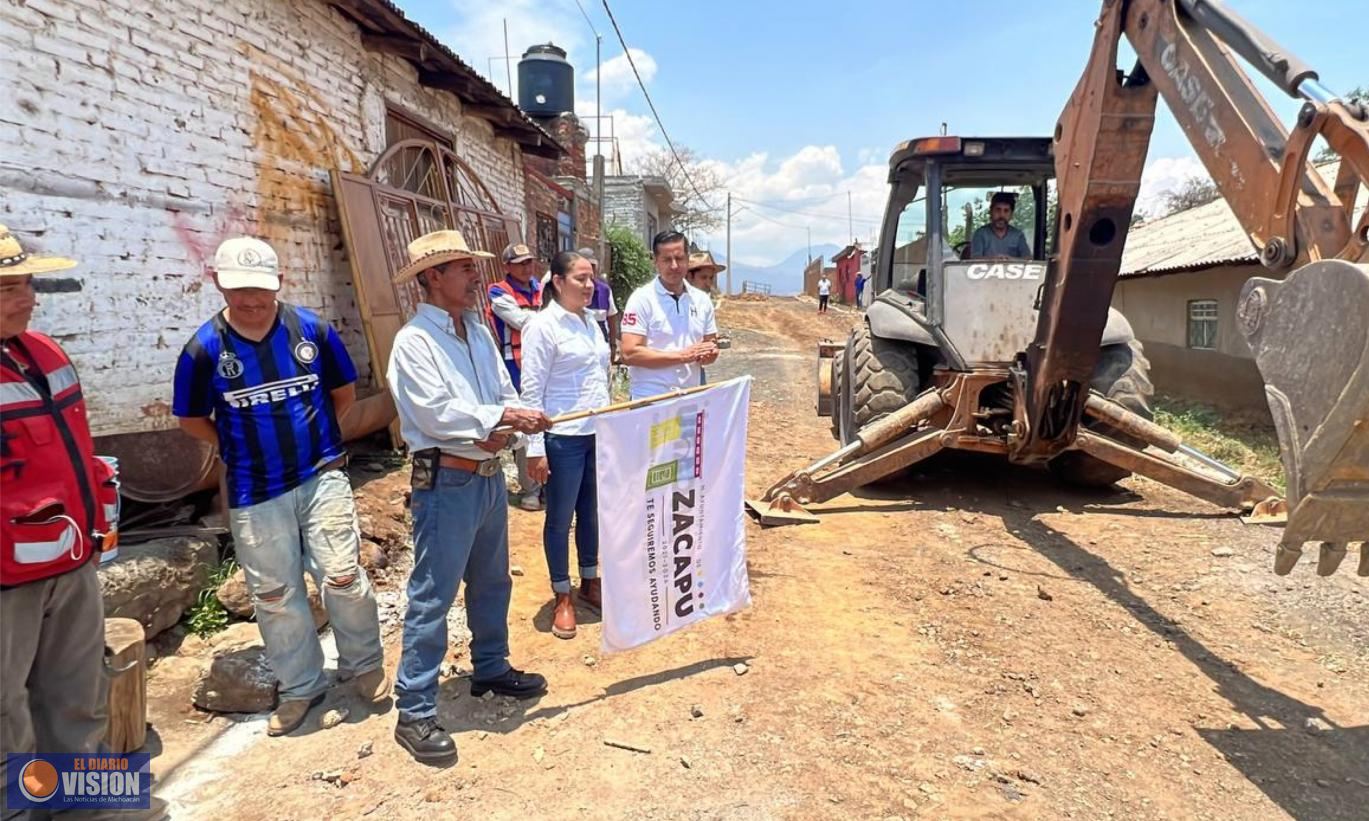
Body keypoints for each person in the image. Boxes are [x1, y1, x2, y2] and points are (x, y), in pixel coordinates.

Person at [173, 237, 387, 737]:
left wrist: (315, 441)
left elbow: (343, 394)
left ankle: (364, 664)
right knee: (273, 595)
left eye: (261, 292)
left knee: (341, 576)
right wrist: (232, 446)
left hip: (321, 475)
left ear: (280, 285)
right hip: (252, 491)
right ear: (218, 283)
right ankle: (301, 687)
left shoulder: (310, 330)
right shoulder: (203, 350)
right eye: (239, 290)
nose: (251, 301)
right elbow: (189, 419)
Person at [386, 229, 552, 764]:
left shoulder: (477, 331)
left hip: (484, 476)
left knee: (491, 580)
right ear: (432, 277)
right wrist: (501, 418)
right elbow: (435, 413)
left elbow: (503, 393)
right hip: (447, 482)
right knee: (433, 594)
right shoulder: (414, 342)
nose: (473, 274)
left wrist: (513, 424)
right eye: (461, 266)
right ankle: (413, 708)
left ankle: (491, 667)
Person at [1, 226, 118, 809]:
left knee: (79, 690)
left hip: (71, 558)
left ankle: (90, 800)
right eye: (8, 289)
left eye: (26, 284)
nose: (27, 298)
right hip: (5, 579)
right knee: (3, 712)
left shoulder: (44, 352)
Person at [519, 251, 610, 640]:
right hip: (562, 439)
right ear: (557, 281)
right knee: (560, 518)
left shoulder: (592, 323)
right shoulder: (543, 326)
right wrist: (534, 447)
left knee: (591, 513)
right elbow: (531, 391)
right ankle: (562, 594)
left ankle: (589, 580)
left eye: (591, 279)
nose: (589, 286)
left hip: (598, 434)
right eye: (580, 279)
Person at [620, 230, 720, 400]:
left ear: (688, 259)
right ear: (655, 262)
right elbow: (629, 353)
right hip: (651, 399)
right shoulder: (642, 299)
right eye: (667, 260)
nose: (674, 266)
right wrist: (682, 356)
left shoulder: (702, 300)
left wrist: (710, 354)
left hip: (689, 398)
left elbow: (710, 346)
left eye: (679, 258)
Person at [487, 242, 544, 512]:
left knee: (548, 418)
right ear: (507, 266)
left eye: (529, 261)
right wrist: (547, 317)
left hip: (545, 360)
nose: (527, 267)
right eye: (521, 263)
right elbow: (521, 322)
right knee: (525, 422)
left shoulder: (541, 288)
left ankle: (546, 482)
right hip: (515, 364)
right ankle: (530, 487)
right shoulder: (498, 291)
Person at [577, 247, 621, 364]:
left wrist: (613, 345)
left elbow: (611, 318)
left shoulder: (604, 290)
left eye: (592, 266)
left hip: (601, 349)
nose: (590, 270)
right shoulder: (572, 291)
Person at [970, 192, 1032, 259]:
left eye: (1006, 211)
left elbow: (1028, 259)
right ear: (991, 211)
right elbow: (975, 259)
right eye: (998, 210)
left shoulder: (1018, 235)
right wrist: (993, 260)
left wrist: (1010, 260)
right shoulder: (980, 234)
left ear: (1011, 214)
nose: (1001, 215)